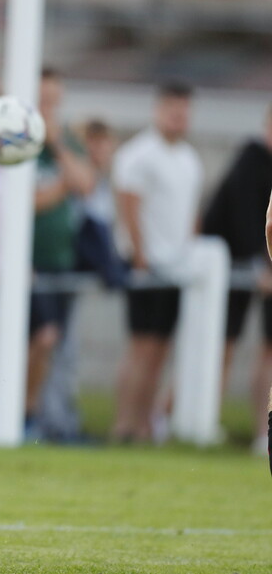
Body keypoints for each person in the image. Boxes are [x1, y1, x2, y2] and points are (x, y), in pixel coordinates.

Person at [110, 81, 202, 443]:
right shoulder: (139, 154)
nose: (178, 118)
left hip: (177, 267)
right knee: (141, 347)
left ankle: (144, 425)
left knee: (160, 350)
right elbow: (129, 205)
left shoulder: (189, 159)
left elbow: (190, 214)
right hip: (148, 266)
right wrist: (141, 255)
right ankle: (124, 424)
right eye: (172, 110)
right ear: (158, 110)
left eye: (183, 111)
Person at [25, 68, 95, 441]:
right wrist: (60, 188)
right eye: (41, 99)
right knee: (43, 338)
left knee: (56, 347)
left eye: (53, 101)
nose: (47, 108)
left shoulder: (64, 142)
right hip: (26, 263)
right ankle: (24, 416)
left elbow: (85, 183)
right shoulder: (15, 139)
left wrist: (57, 147)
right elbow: (25, 204)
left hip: (61, 262)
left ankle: (47, 421)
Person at [202, 102, 272, 455]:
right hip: (230, 269)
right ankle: (194, 420)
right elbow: (247, 221)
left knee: (267, 352)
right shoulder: (251, 161)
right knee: (218, 346)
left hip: (259, 268)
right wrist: (262, 265)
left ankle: (264, 433)